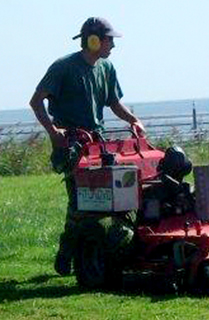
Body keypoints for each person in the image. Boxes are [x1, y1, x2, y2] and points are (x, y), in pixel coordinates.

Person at [29, 17, 146, 276]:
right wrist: (53, 132)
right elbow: (36, 102)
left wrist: (133, 120)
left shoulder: (107, 68)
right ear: (93, 40)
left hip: (99, 145)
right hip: (73, 146)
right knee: (81, 205)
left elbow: (114, 103)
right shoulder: (63, 68)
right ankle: (67, 252)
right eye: (109, 40)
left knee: (115, 197)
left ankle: (112, 247)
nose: (113, 46)